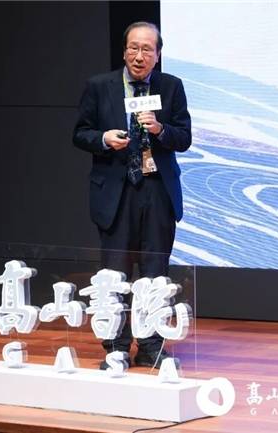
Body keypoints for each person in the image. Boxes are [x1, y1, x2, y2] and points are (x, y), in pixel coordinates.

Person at [73, 21, 191, 369]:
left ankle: (152, 345)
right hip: (117, 190)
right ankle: (117, 346)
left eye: (147, 50)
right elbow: (80, 133)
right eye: (134, 48)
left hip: (157, 191)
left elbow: (183, 137)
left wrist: (160, 129)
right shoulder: (100, 86)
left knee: (154, 272)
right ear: (125, 51)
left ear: (158, 55)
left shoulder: (171, 87)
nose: (140, 56)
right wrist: (103, 139)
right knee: (115, 273)